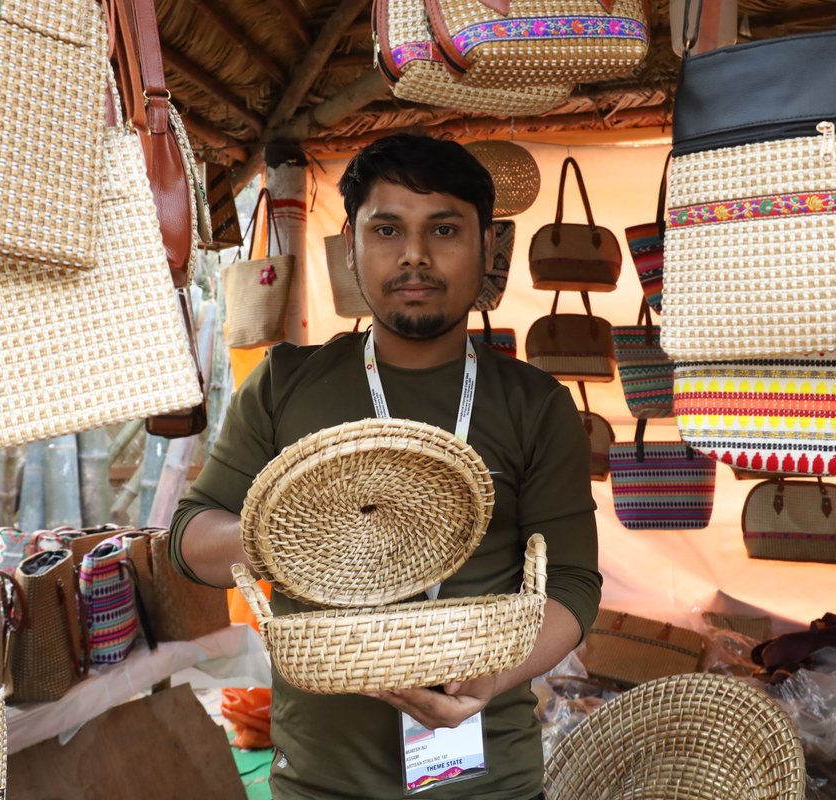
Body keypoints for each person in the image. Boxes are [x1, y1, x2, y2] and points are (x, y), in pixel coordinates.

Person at [170, 134, 601, 800]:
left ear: (488, 247)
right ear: (351, 245)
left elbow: (572, 582)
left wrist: (490, 677)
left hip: (491, 785)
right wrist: (289, 532)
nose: (415, 255)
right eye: (387, 229)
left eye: (445, 229)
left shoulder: (534, 404)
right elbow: (188, 541)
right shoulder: (285, 384)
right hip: (320, 784)